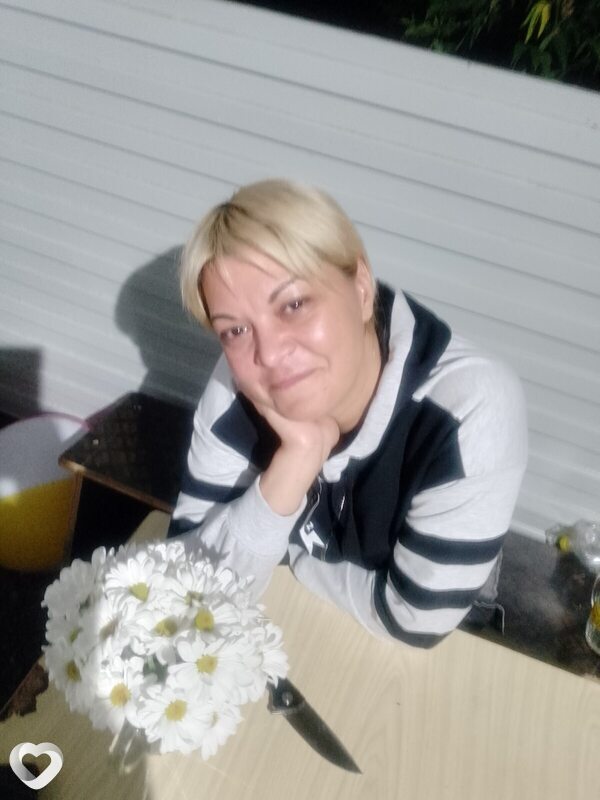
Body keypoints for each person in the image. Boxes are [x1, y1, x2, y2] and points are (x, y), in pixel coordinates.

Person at [168, 178, 528, 648]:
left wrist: (285, 555)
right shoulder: (239, 383)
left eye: (293, 304)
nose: (270, 354)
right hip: (290, 631)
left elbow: (413, 620)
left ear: (360, 287)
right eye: (234, 330)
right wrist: (294, 464)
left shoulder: (468, 410)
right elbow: (185, 585)